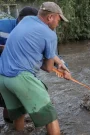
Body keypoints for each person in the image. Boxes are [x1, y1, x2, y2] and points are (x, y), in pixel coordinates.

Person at [0, 2, 71, 135]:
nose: (59, 22)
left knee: (19, 114)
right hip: (20, 77)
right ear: (50, 17)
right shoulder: (50, 35)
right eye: (59, 19)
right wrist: (60, 69)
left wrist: (59, 62)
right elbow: (48, 68)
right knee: (50, 116)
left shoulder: (26, 20)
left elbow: (28, 45)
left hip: (3, 78)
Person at [0, 6, 38, 123]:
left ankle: (10, 122)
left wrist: (61, 65)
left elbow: (46, 54)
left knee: (12, 98)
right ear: (21, 20)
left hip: (16, 71)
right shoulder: (3, 26)